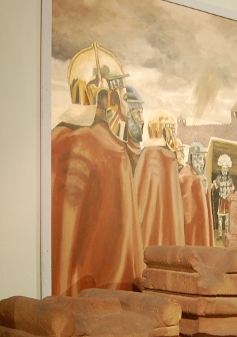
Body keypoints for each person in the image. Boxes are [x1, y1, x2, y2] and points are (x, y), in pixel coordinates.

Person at [51, 44, 142, 295]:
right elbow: (121, 248)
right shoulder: (112, 151)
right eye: (117, 96)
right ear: (104, 96)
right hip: (103, 299)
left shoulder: (52, 141)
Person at [134, 109, 186, 249]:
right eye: (171, 129)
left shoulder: (151, 155)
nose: (174, 134)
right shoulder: (156, 155)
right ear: (162, 130)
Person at [179, 142, 214, 246]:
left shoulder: (199, 176)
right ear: (191, 157)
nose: (202, 163)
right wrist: (199, 183)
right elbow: (189, 212)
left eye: (203, 159)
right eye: (199, 158)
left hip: (199, 224)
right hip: (190, 227)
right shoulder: (185, 175)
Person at [212, 154, 235, 240]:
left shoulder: (230, 179)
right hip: (221, 201)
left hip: (227, 201)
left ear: (227, 169)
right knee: (220, 218)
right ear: (221, 169)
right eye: (223, 168)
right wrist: (212, 187)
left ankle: (226, 234)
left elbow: (233, 188)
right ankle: (220, 234)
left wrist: (231, 192)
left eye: (225, 168)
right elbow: (214, 185)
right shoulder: (218, 178)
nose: (224, 170)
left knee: (227, 218)